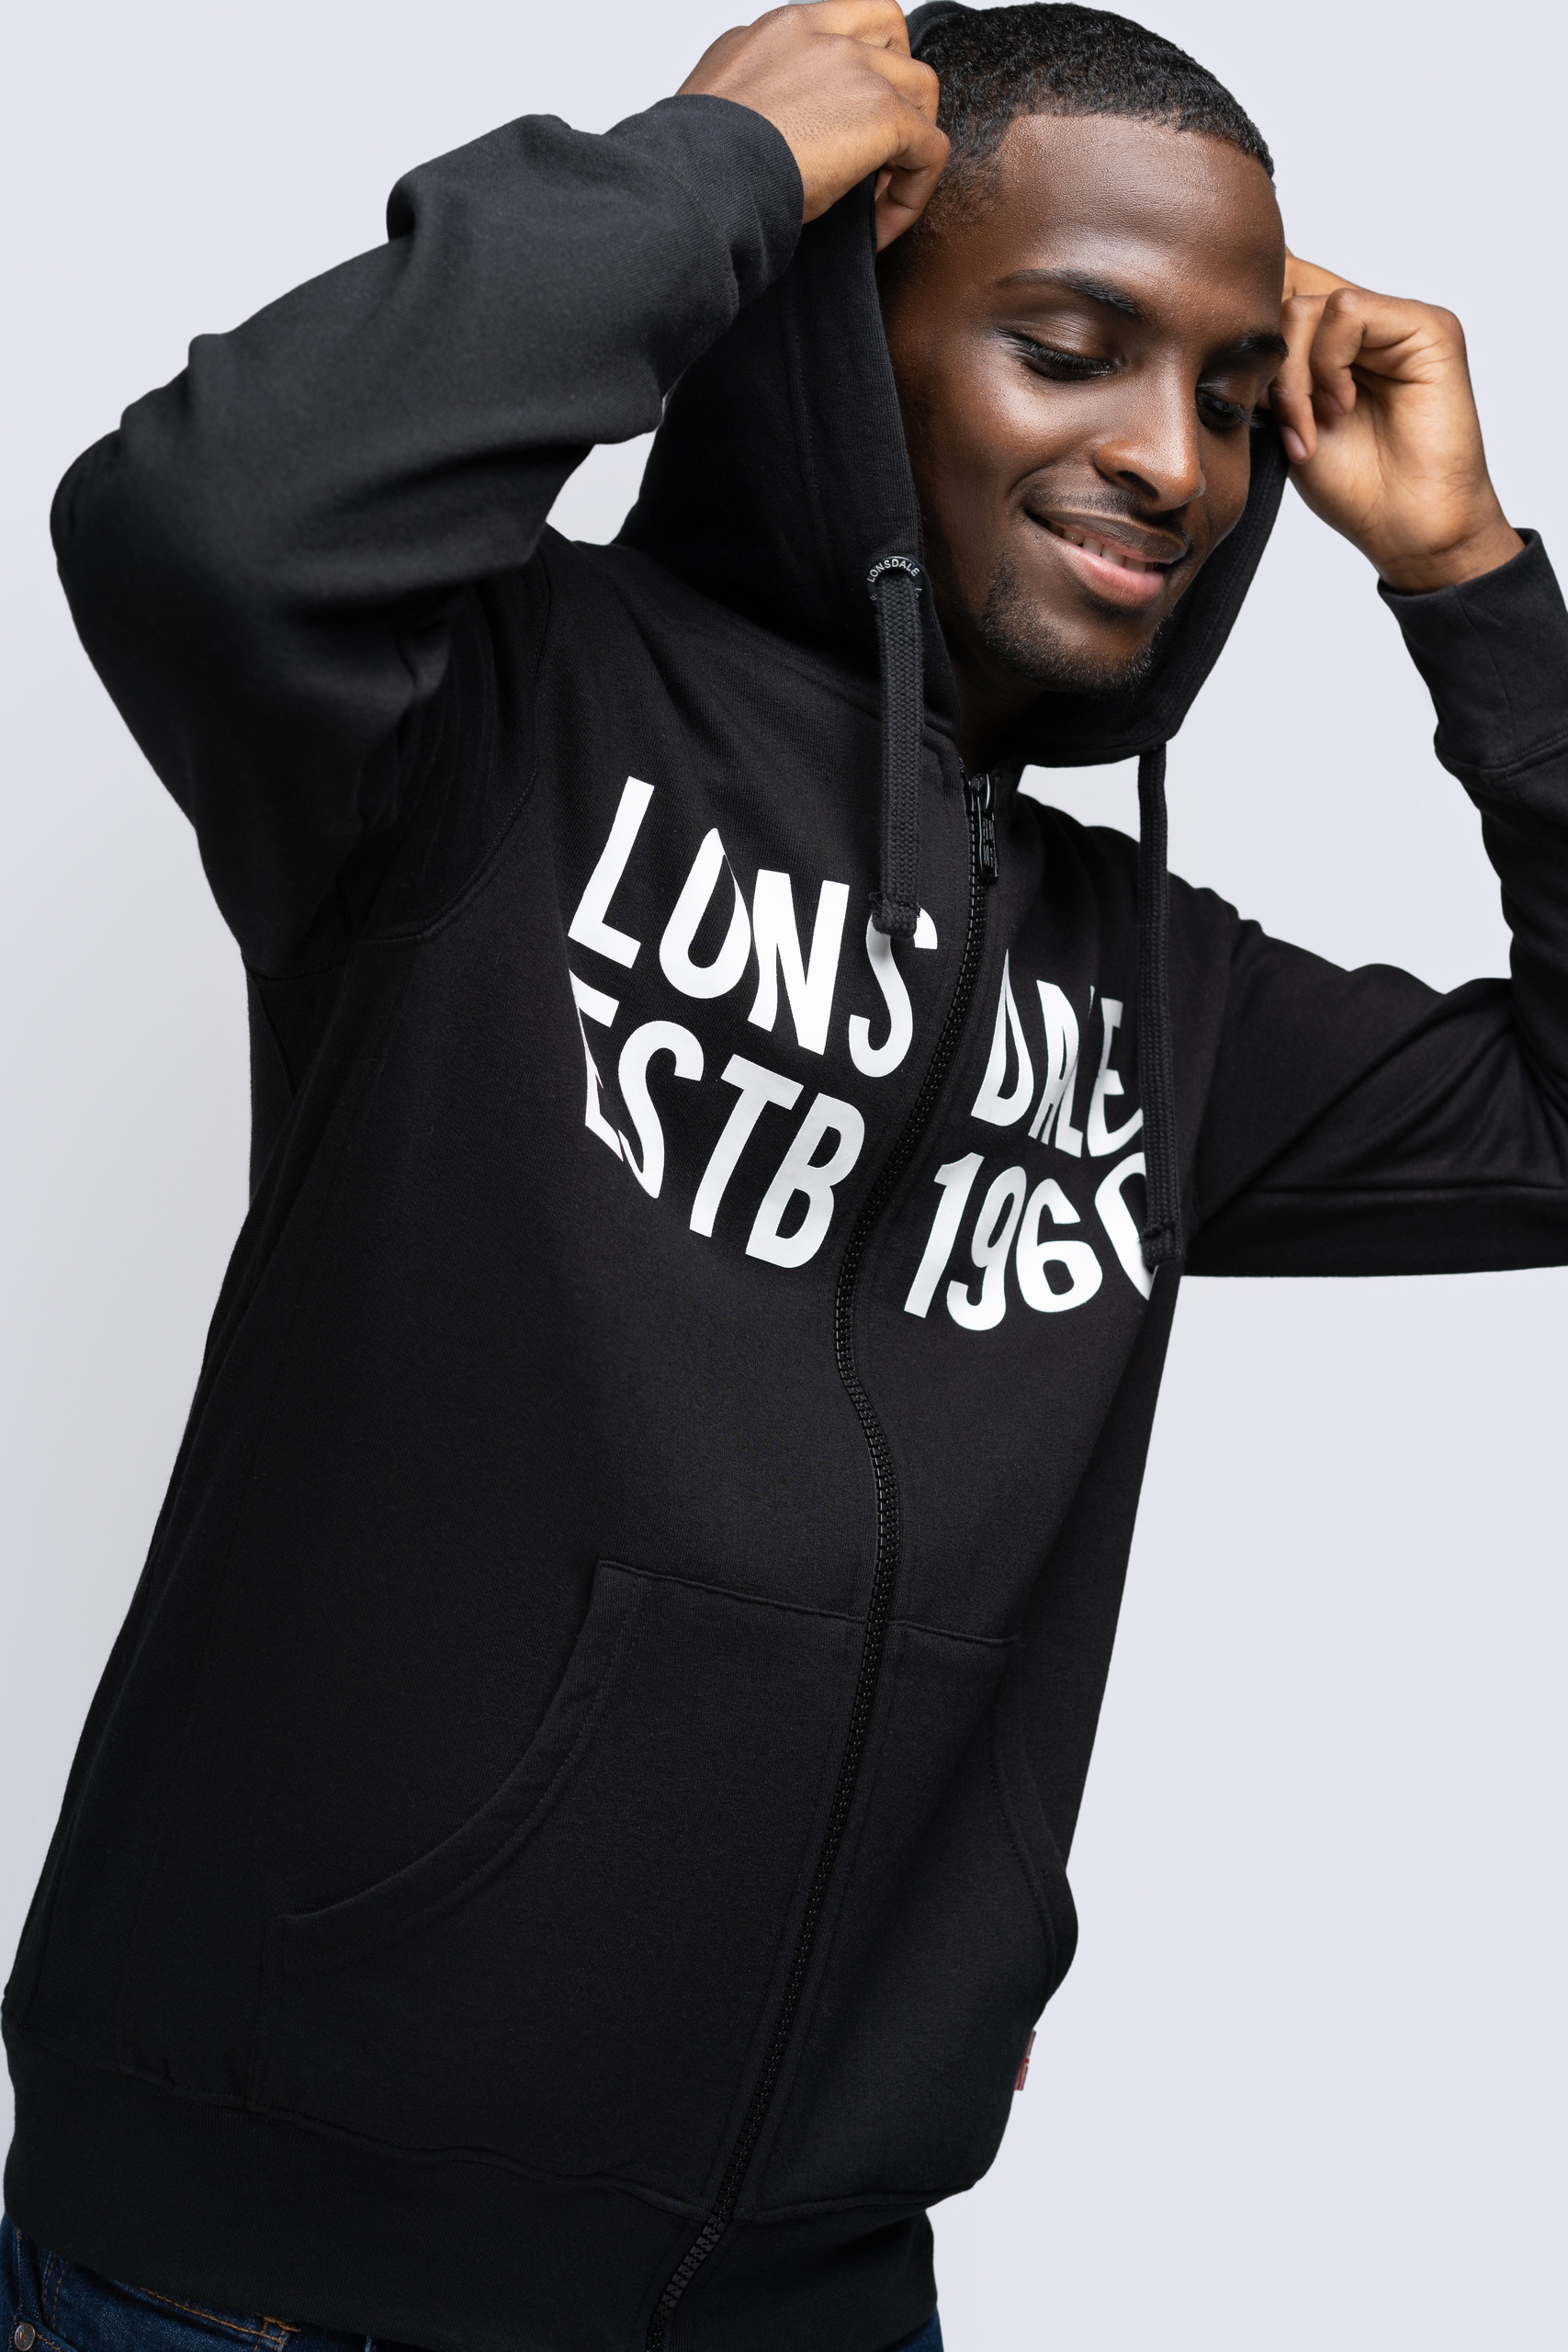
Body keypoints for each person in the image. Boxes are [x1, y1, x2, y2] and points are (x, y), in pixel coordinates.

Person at [4, 2, 1563, 2347]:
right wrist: (712, 170)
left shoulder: (1160, 992)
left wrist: (1467, 580)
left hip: (816, 2290)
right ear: (846, 340)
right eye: (1068, 349)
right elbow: (199, 518)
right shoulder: (482, 727)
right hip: (262, 2281)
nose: (1172, 458)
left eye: (1233, 397)